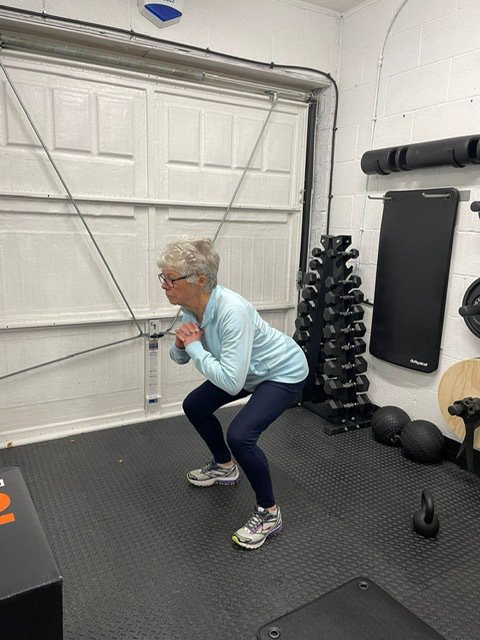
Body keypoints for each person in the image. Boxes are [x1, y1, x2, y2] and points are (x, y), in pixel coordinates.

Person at [157, 238, 308, 550]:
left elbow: (230, 381)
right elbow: (180, 358)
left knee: (241, 435)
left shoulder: (232, 311)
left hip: (283, 371)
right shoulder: (189, 308)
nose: (165, 285)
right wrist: (182, 344)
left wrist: (196, 346)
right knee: (195, 406)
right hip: (247, 371)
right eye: (164, 278)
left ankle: (269, 513)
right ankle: (224, 466)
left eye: (170, 279)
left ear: (200, 280)